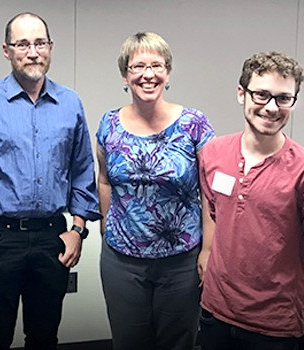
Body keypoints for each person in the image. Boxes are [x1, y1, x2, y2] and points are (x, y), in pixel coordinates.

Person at [0, 12, 100, 349]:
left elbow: (82, 170)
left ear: (50, 47)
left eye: (40, 43)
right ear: (7, 51)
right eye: (22, 44)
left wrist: (77, 231)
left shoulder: (70, 103)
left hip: (52, 237)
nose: (33, 52)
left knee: (45, 335)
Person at [197, 51, 304, 349]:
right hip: (215, 312)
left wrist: (284, 279)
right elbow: (214, 210)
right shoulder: (212, 153)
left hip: (274, 326)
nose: (271, 107)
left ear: (294, 101)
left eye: (283, 98)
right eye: (261, 95)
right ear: (242, 94)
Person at [95, 32, 215, 350]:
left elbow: (210, 192)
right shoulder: (108, 125)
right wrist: (106, 225)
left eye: (157, 65)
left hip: (181, 262)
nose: (148, 74)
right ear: (125, 75)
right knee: (129, 342)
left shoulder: (194, 124)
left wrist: (207, 249)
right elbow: (105, 180)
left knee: (178, 343)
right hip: (122, 261)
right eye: (138, 66)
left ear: (167, 73)